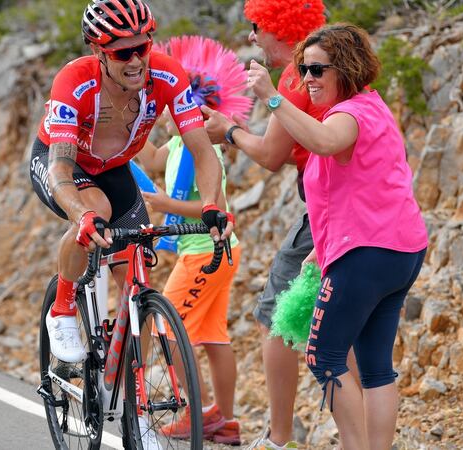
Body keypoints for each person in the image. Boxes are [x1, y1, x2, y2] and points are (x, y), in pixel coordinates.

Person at [245, 23, 428, 450]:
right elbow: (362, 191)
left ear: (346, 68)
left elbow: (325, 143)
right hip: (401, 251)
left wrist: (272, 98)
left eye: (317, 70)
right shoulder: (373, 106)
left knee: (323, 355)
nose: (307, 79)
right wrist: (320, 250)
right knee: (376, 367)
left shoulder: (348, 116)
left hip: (367, 255)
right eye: (303, 70)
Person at [29, 0, 233, 366]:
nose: (136, 60)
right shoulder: (74, 81)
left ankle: (128, 385)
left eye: (143, 47)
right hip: (62, 161)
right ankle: (62, 309)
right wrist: (81, 214)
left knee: (137, 274)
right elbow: (60, 168)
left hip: (113, 166)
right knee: (97, 210)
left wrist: (211, 205)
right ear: (98, 52)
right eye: (123, 53)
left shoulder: (168, 75)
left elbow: (203, 151)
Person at [203, 1, 356, 448]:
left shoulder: (294, 73)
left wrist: (228, 132)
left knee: (274, 316)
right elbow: (298, 148)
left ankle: (279, 438)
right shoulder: (329, 64)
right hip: (354, 209)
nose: (252, 36)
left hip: (325, 210)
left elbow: (272, 156)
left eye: (257, 25)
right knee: (354, 338)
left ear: (277, 24)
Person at [138, 117, 242, 445]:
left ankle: (202, 413)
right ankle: (225, 421)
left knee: (166, 328)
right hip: (213, 251)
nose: (161, 116)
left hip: (205, 254)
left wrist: (168, 205)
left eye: (168, 109)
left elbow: (216, 208)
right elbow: (151, 159)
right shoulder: (178, 143)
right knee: (213, 336)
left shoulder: (202, 148)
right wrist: (127, 131)